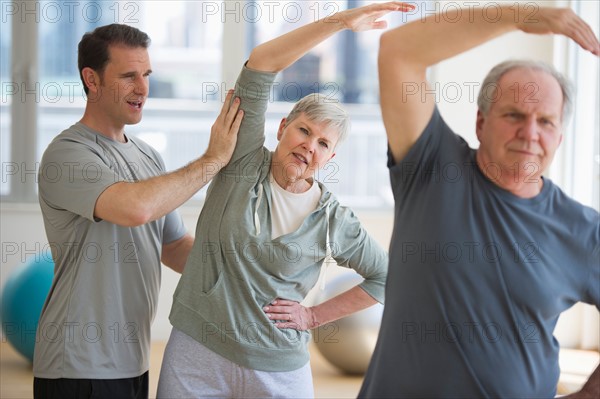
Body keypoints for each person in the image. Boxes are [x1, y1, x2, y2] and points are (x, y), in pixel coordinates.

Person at [156, 2, 415, 398]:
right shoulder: (241, 161)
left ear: (331, 157)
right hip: (198, 351)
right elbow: (260, 63)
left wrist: (312, 315)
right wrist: (342, 21)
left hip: (278, 366)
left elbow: (386, 277)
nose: (309, 146)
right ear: (282, 127)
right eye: (304, 130)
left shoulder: (334, 220)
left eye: (323, 143)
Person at [359, 4, 600, 398]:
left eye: (546, 122)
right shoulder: (431, 166)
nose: (530, 133)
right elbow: (398, 51)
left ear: (560, 137)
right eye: (514, 115)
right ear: (481, 122)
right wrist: (517, 17)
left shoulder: (583, 229)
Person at [33, 24, 243, 399]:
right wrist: (212, 160)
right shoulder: (66, 154)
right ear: (91, 80)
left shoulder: (148, 155)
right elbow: (135, 208)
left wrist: (244, 270)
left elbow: (174, 246)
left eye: (145, 75)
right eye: (129, 76)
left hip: (134, 359)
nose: (143, 88)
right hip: (79, 365)